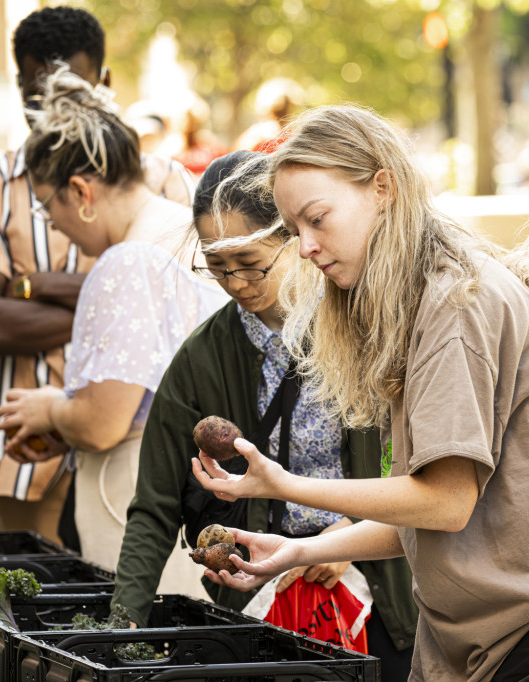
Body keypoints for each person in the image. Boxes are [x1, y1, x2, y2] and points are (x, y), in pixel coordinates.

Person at [192, 106, 529, 682]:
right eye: (293, 228)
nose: (305, 246)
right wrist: (299, 551)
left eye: (318, 218)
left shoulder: (456, 306)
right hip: (478, 636)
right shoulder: (418, 298)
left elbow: (446, 502)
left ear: (383, 188)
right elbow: (425, 512)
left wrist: (285, 483)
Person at [112, 150, 419, 677]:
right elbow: (155, 506)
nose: (235, 283)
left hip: (378, 597)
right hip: (254, 603)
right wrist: (121, 629)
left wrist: (350, 532)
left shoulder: (378, 328)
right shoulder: (202, 358)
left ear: (295, 240)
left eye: (251, 265)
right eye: (216, 267)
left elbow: (422, 468)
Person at [0, 6, 192, 544]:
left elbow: (107, 414)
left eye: (50, 212)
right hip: (58, 468)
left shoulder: (147, 229)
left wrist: (39, 294)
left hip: (135, 482)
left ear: (80, 193)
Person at [0, 67, 227, 572]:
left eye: (52, 213)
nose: (59, 229)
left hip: (138, 505)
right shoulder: (185, 230)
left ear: (80, 191)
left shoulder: (125, 261)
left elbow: (102, 423)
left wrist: (52, 407)